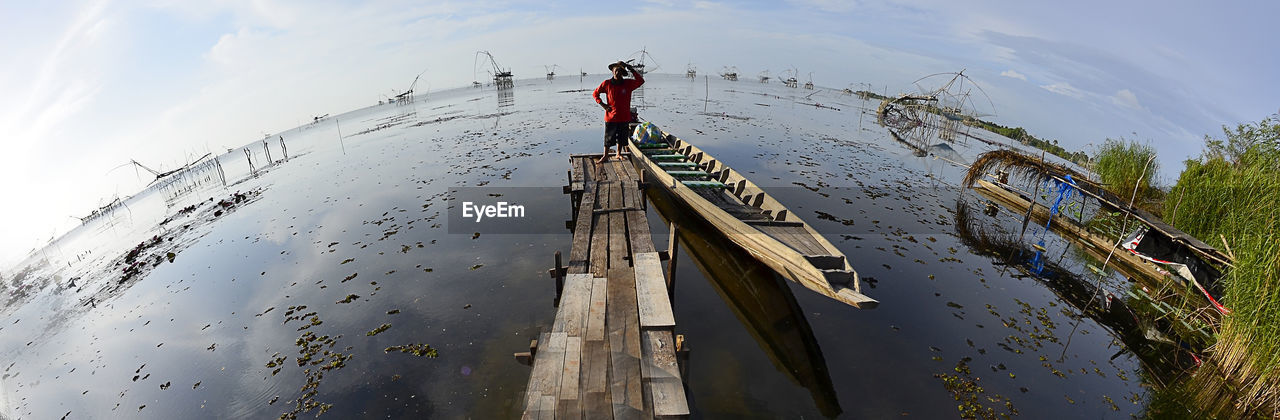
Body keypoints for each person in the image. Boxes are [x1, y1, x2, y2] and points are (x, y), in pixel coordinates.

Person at [592, 60, 644, 164]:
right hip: (611, 117)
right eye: (616, 70)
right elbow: (595, 94)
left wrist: (631, 68)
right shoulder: (606, 84)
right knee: (608, 138)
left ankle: (618, 154)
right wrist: (603, 105)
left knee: (622, 137)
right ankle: (605, 155)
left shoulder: (628, 83)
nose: (617, 72)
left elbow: (640, 81)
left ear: (623, 73)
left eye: (620, 70)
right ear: (612, 71)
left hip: (624, 117)